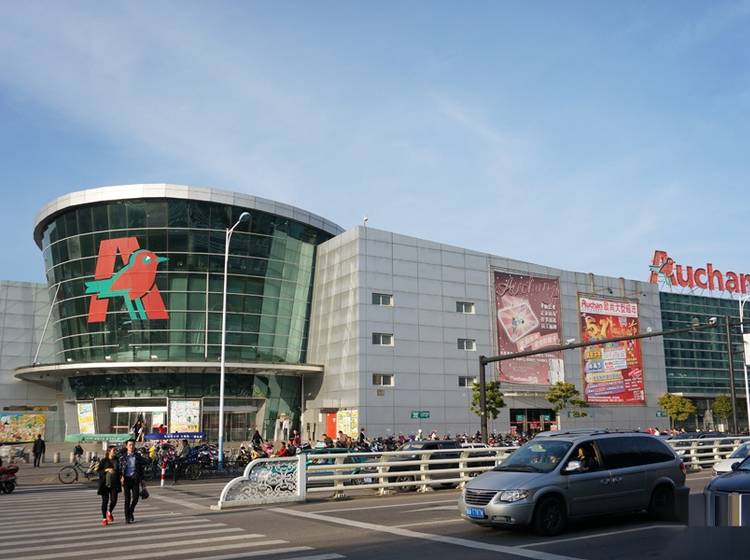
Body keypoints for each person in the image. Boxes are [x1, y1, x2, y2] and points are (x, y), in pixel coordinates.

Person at [119, 439, 146, 524]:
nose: (131, 446)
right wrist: (120, 477)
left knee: (135, 498)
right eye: (130, 445)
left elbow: (141, 469)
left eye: (133, 445)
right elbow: (119, 469)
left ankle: (130, 512)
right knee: (127, 499)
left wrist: (142, 479)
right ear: (126, 446)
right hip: (126, 480)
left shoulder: (138, 456)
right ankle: (127, 518)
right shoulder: (122, 457)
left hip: (135, 479)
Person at [97, 445, 121, 526]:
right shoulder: (104, 461)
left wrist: (121, 477)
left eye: (115, 450)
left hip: (115, 484)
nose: (115, 452)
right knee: (105, 502)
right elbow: (98, 471)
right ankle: (104, 518)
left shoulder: (117, 460)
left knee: (114, 501)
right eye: (114, 450)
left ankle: (109, 512)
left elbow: (119, 470)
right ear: (109, 451)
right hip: (105, 484)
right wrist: (106, 469)